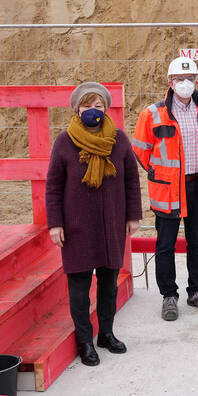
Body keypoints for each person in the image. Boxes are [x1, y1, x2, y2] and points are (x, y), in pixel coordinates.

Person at [46, 82, 142, 366]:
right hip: (76, 227)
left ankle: (107, 334)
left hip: (111, 223)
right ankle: (85, 341)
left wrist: (133, 215)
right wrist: (55, 224)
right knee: (79, 286)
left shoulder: (119, 139)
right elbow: (53, 186)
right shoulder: (64, 141)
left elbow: (131, 181)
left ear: (105, 109)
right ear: (77, 109)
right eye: (87, 106)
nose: (93, 111)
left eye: (98, 106)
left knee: (109, 283)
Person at [132, 57, 198, 321]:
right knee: (165, 244)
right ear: (170, 82)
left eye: (190, 78)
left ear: (196, 81)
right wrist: (162, 174)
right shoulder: (153, 113)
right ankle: (169, 295)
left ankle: (196, 291)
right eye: (180, 79)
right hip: (168, 189)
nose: (186, 83)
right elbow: (141, 149)